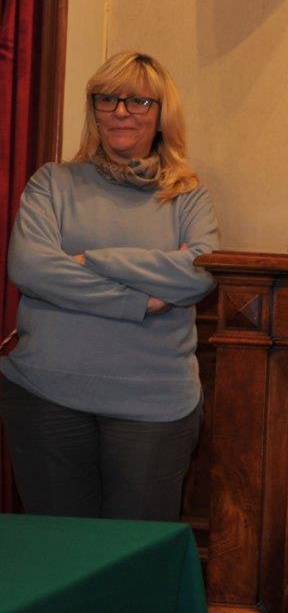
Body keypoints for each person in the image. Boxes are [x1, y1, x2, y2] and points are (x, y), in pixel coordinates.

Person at [0, 51, 218, 522]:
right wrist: (138, 300)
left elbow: (199, 273)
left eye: (138, 101)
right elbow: (31, 267)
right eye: (107, 99)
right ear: (94, 109)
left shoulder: (188, 195)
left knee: (134, 555)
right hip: (46, 399)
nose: (121, 112)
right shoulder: (52, 183)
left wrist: (91, 260)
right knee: (61, 554)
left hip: (154, 407)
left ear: (161, 114)